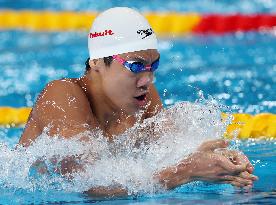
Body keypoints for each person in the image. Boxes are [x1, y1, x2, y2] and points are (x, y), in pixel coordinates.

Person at [19, 7, 258, 197]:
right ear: (97, 63)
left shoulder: (141, 97)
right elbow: (89, 186)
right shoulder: (62, 96)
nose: (148, 79)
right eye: (135, 66)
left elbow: (166, 153)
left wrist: (217, 160)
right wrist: (184, 172)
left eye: (153, 66)